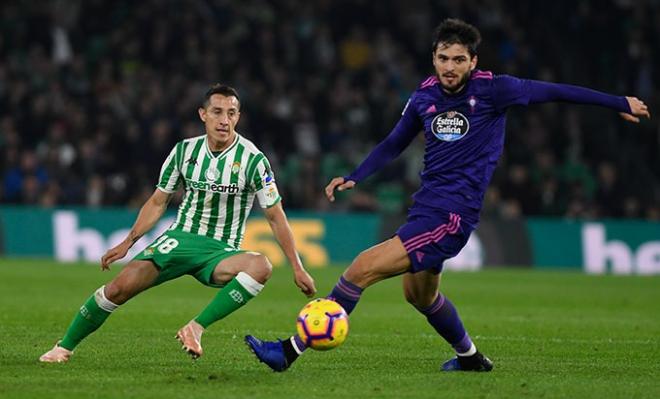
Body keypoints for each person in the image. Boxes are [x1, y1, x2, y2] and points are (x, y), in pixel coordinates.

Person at [245, 18, 651, 372]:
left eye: (459, 60)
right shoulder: (424, 96)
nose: (450, 67)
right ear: (434, 58)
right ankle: (471, 357)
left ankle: (289, 351)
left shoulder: (495, 90)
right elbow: (394, 142)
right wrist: (356, 175)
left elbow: (555, 91)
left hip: (452, 215)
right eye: (444, 58)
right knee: (420, 295)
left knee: (360, 269)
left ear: (473, 61)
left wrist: (618, 102)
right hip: (428, 205)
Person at [39, 84, 317, 363]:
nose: (224, 120)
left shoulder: (253, 160)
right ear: (202, 114)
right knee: (117, 289)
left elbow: (275, 214)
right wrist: (128, 241)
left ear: (238, 117)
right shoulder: (184, 151)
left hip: (220, 252)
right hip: (180, 239)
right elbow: (158, 201)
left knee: (261, 266)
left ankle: (195, 327)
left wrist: (297, 266)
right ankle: (64, 347)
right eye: (217, 112)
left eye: (231, 113)